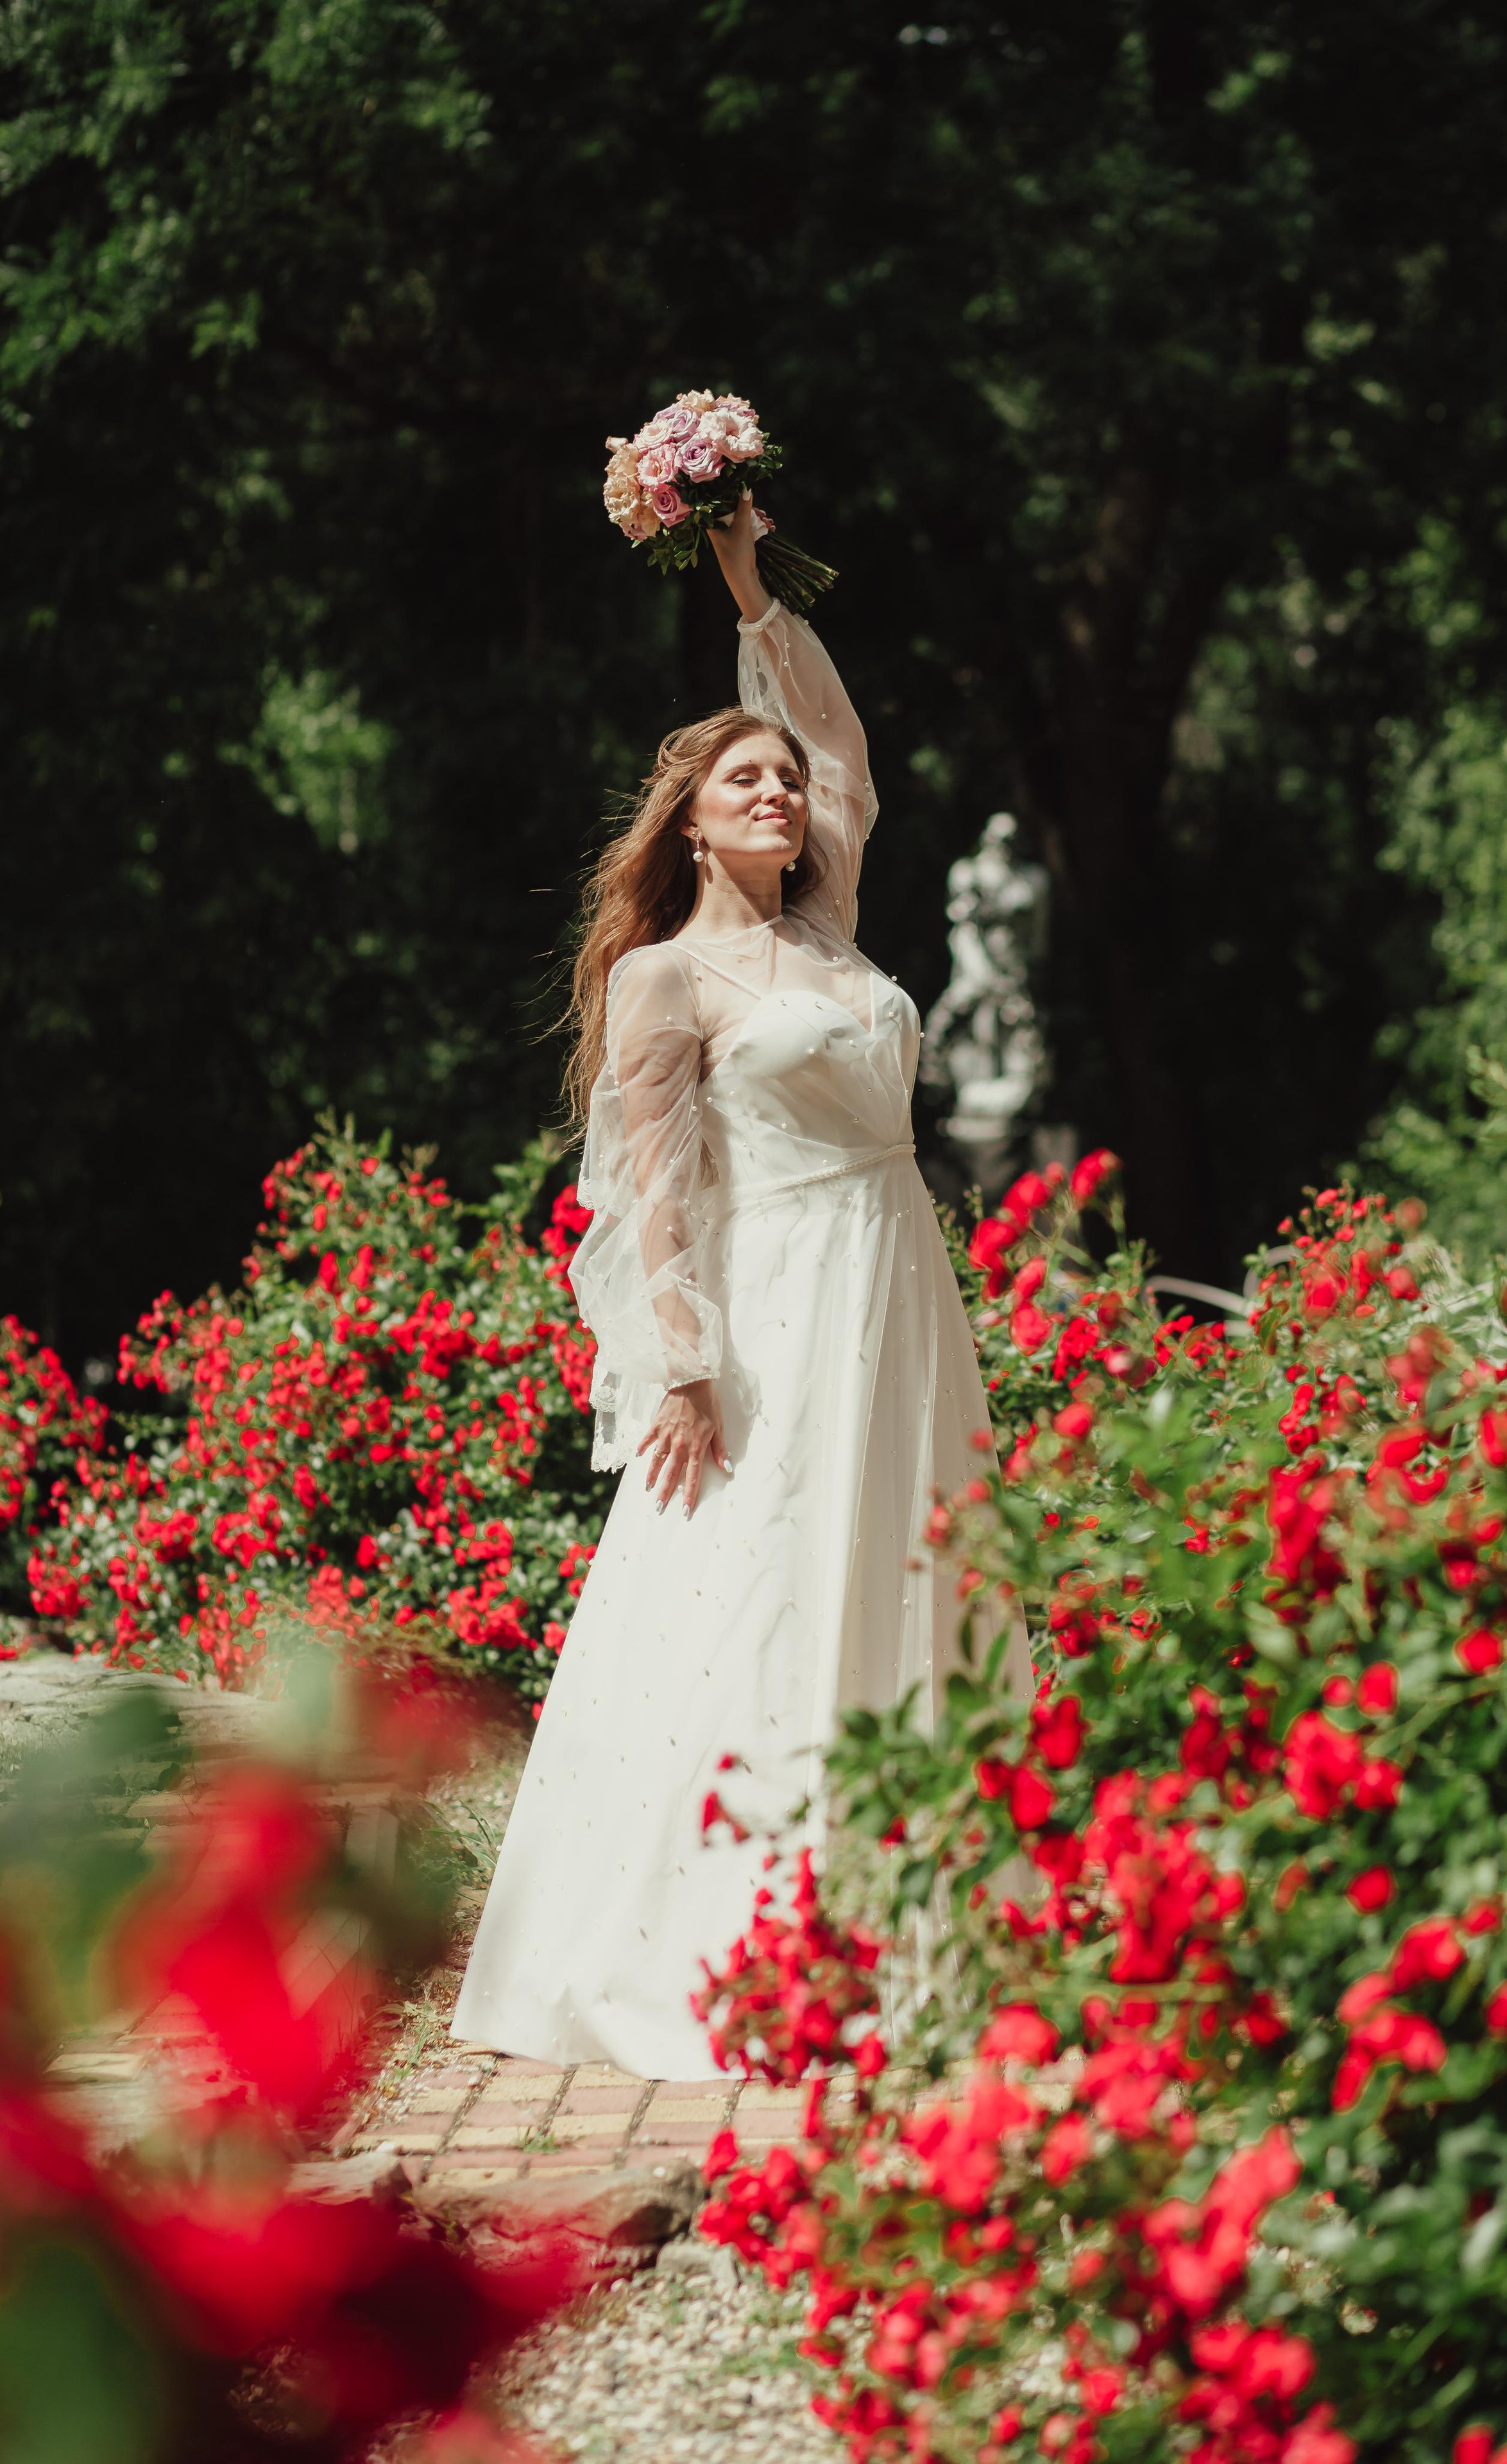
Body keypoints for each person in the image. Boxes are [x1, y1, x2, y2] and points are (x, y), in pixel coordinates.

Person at [450, 502, 1030, 2079]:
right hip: (773, 1308)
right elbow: (649, 1189)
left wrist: (750, 590)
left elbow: (838, 744)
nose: (778, 790)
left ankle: (916, 1928)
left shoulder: (830, 932)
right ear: (692, 824)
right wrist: (681, 1363)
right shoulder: (664, 980)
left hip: (894, 1283)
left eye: (782, 780)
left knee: (904, 1570)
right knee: (758, 1580)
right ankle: (724, 1941)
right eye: (742, 779)